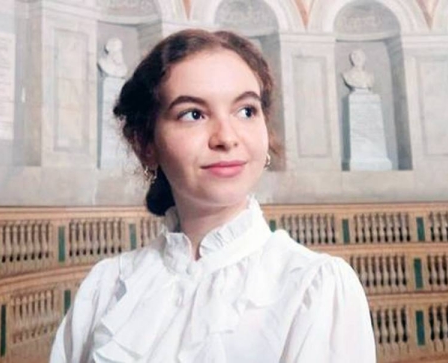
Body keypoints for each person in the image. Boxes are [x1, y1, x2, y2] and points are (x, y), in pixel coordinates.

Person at [50, 29, 376, 363]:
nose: (226, 137)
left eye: (246, 111)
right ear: (145, 144)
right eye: (194, 114)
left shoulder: (315, 288)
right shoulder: (107, 287)